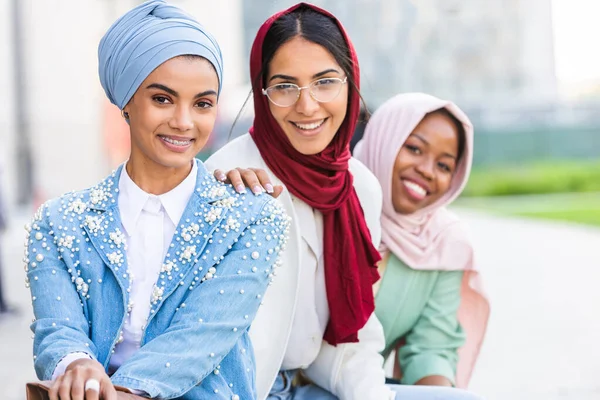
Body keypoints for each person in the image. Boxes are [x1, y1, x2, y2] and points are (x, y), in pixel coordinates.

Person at [207, 4, 484, 400]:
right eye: (285, 86)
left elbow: (354, 340)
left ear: (350, 83)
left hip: (316, 386)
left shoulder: (359, 187)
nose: (307, 106)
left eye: (325, 82)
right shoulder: (229, 176)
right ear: (262, 91)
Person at [24, 1, 289, 399]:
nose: (184, 121)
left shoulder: (253, 215)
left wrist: (114, 392)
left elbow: (203, 334)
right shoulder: (58, 223)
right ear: (126, 101)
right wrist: (76, 364)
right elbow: (56, 330)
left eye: (202, 103)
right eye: (162, 99)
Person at [354, 92, 490, 389]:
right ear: (384, 141)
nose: (427, 171)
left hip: (361, 390)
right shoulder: (330, 201)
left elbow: (431, 348)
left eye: (444, 166)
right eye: (415, 149)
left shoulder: (444, 242)